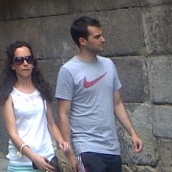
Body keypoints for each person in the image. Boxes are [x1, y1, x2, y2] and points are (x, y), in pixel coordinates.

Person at [56, 17, 142, 172]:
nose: (103, 39)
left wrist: (133, 133)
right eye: (97, 37)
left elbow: (117, 103)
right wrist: (70, 155)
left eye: (102, 35)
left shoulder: (108, 64)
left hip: (112, 148)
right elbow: (63, 114)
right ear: (82, 41)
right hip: (86, 147)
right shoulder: (68, 70)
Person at [0, 41, 67, 172]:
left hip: (47, 159)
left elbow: (51, 124)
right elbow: (13, 133)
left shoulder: (42, 90)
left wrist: (61, 142)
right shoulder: (9, 95)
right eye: (19, 60)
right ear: (12, 65)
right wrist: (33, 157)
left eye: (29, 59)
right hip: (21, 163)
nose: (25, 63)